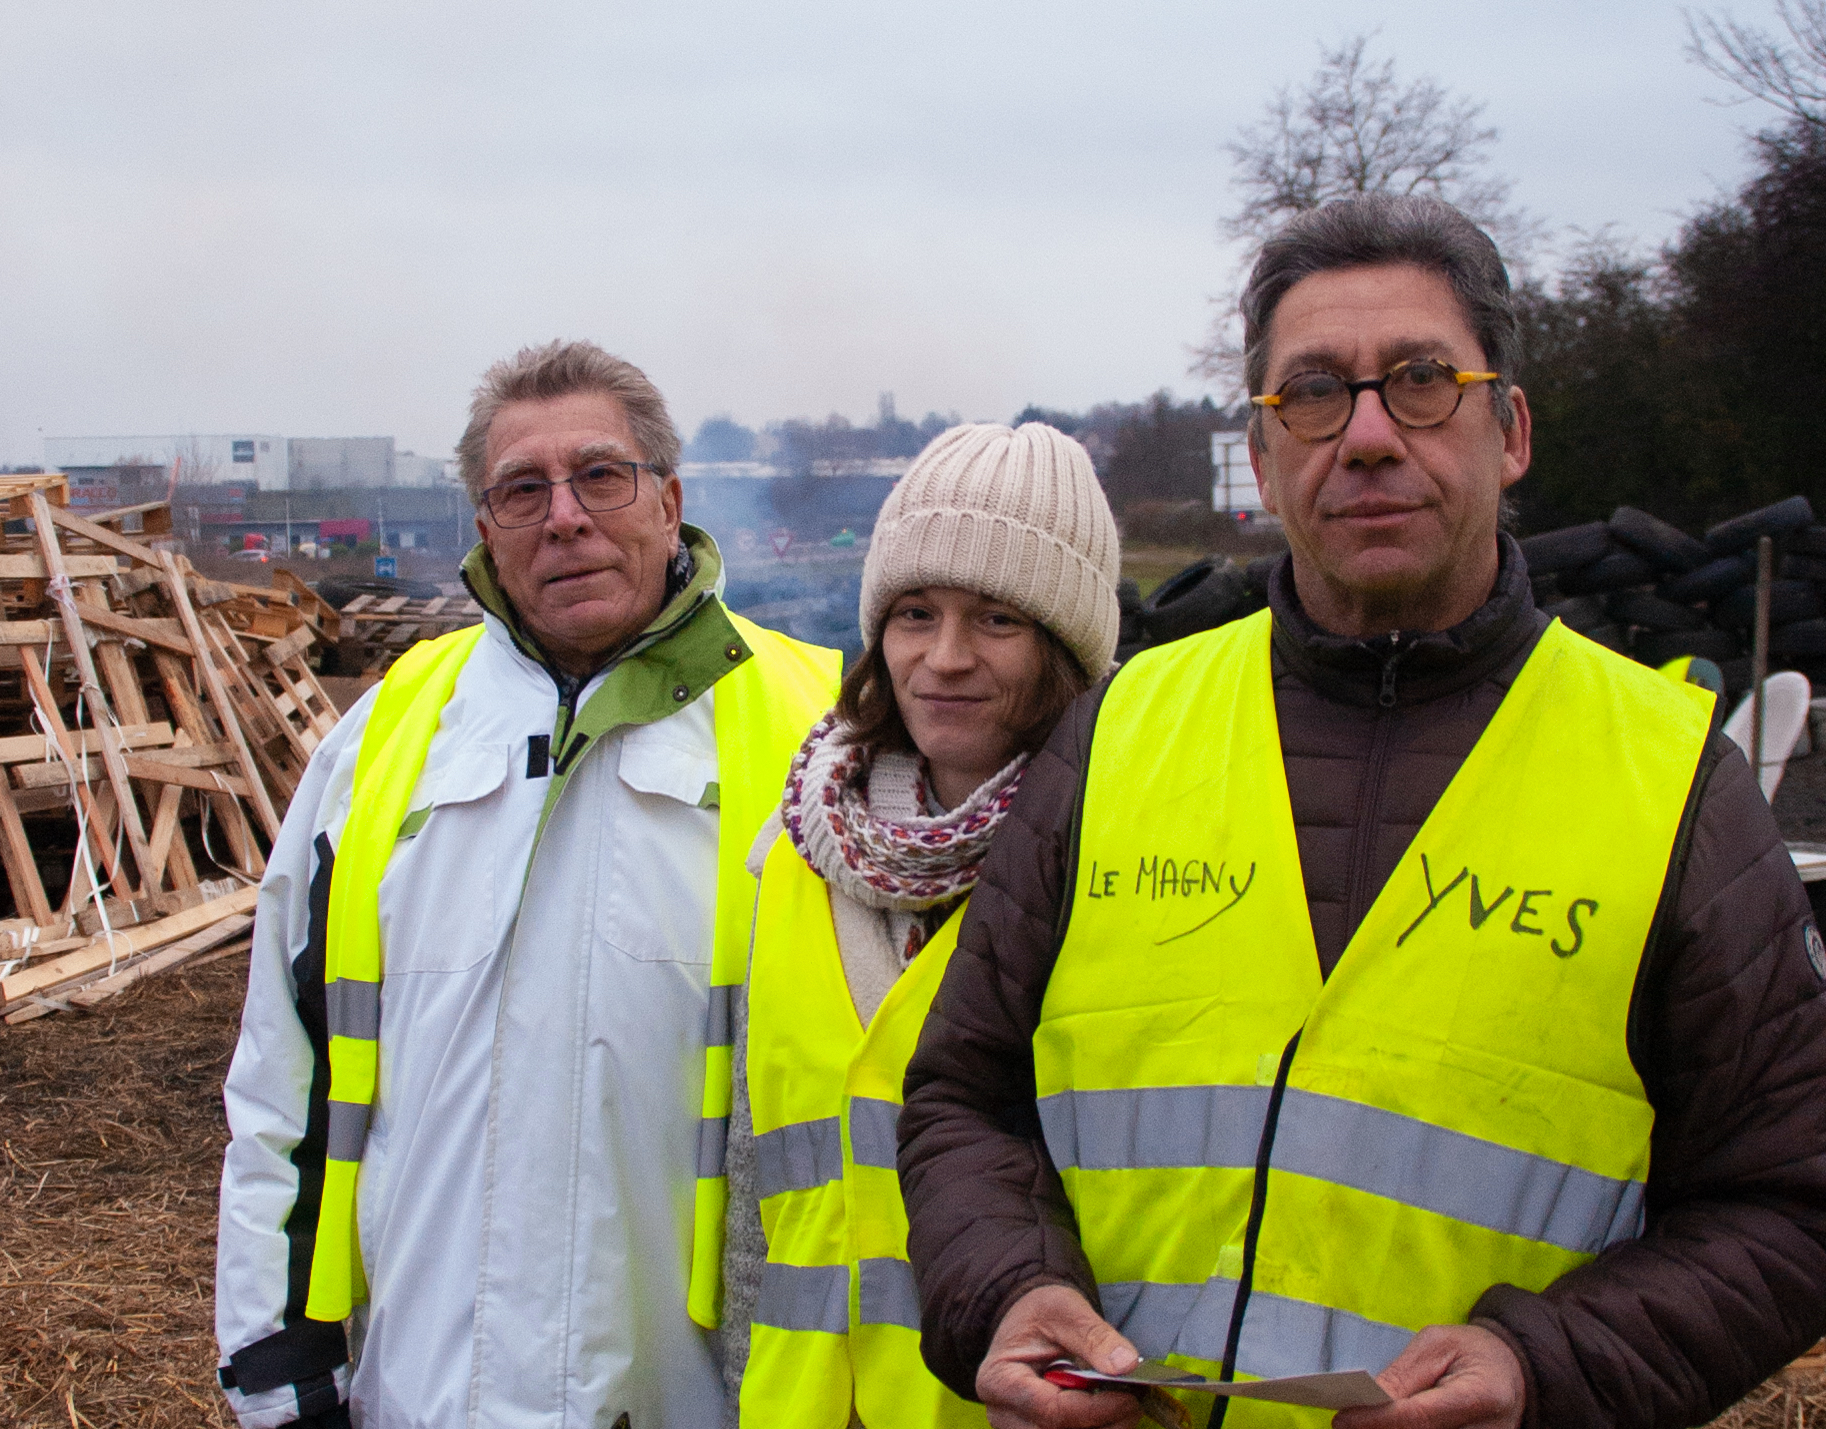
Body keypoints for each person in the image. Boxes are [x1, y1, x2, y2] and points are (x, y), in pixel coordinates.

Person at [897, 193, 1826, 1429]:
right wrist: (1004, 1288)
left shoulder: (1671, 783)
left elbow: (1789, 1198)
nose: (1371, 434)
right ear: (1266, 456)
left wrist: (1548, 1367)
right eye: (1317, 393)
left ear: (1510, 433)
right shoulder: (1118, 733)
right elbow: (962, 1094)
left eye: (1422, 380)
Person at [214, 339, 841, 1429]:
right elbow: (283, 1080)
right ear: (486, 531)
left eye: (601, 475)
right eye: (522, 490)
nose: (565, 515)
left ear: (668, 498)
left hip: (707, 1400)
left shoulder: (816, 732)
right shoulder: (388, 740)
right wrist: (278, 1362)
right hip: (426, 1392)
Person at [723, 423, 1120, 1429]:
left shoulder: (1118, 870)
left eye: (994, 617)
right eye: (912, 613)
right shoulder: (793, 856)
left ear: (1063, 646)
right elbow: (749, 1186)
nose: (942, 659)